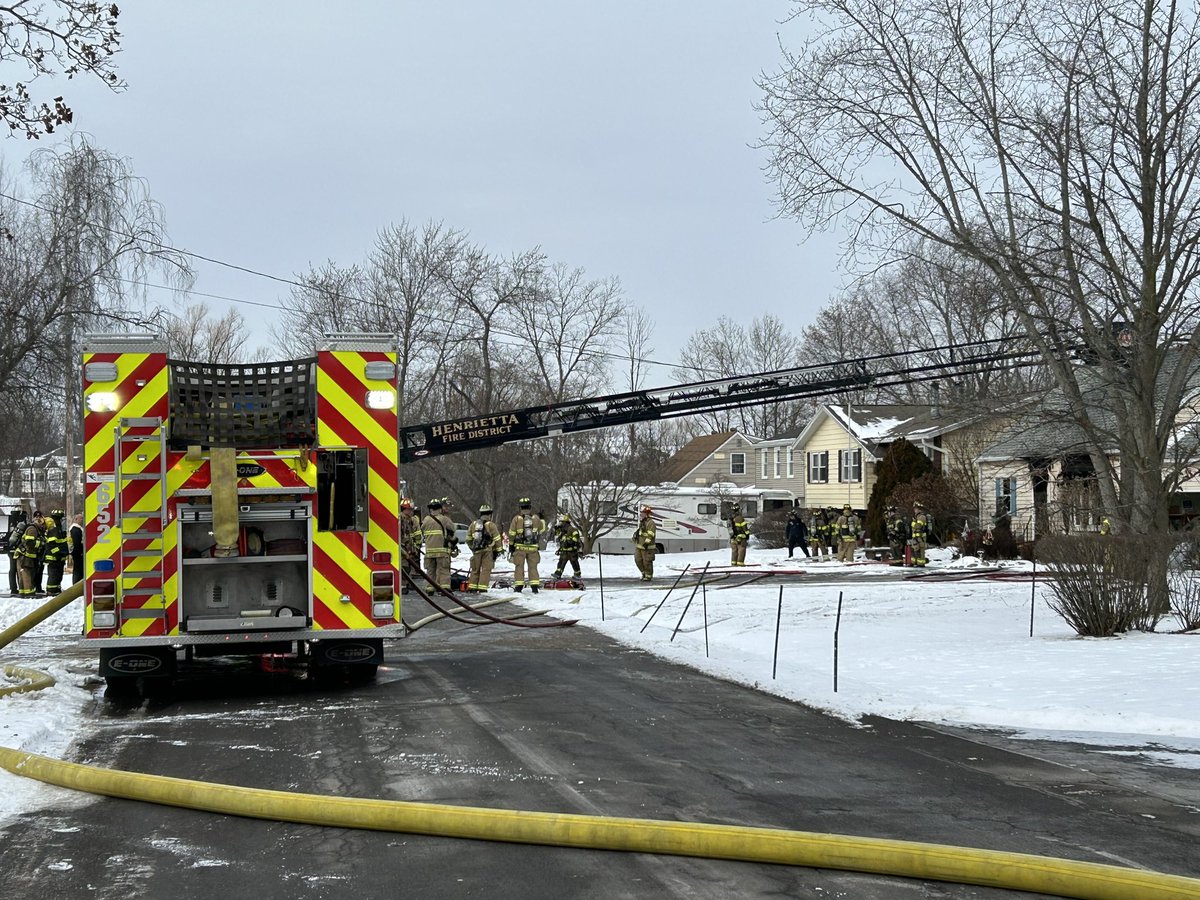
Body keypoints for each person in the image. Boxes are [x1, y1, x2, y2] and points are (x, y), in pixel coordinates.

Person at [507, 497, 545, 593]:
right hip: (533, 548)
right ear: (530, 507)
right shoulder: (536, 518)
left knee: (519, 566)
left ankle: (519, 587)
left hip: (520, 547)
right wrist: (542, 519)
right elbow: (542, 529)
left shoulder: (516, 519)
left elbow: (511, 533)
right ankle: (534, 587)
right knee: (533, 567)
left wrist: (511, 545)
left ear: (520, 508)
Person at [420, 498, 458, 590]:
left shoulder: (426, 519)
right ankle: (444, 588)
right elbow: (453, 528)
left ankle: (430, 588)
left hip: (429, 552)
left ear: (430, 509)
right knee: (443, 570)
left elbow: (421, 530)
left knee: (430, 571)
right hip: (442, 551)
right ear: (440, 509)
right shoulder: (444, 519)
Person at [466, 504, 502, 593]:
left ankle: (472, 586)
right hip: (487, 551)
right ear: (490, 514)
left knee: (475, 569)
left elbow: (468, 539)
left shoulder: (473, 524)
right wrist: (499, 550)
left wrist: (472, 548)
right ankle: (482, 587)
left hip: (477, 551)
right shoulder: (491, 525)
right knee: (486, 569)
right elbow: (497, 539)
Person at [16, 511, 46, 597]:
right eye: (43, 525)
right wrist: (41, 543)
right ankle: (29, 593)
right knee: (26, 574)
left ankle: (22, 592)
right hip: (25, 555)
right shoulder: (32, 529)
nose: (44, 527)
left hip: (26, 555)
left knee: (23, 573)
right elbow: (29, 543)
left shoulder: (37, 529)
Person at [42, 509, 69, 595]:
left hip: (59, 558)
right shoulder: (53, 531)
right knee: (53, 575)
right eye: (60, 519)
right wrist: (61, 551)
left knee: (58, 575)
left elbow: (61, 543)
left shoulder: (59, 530)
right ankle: (51, 591)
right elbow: (51, 547)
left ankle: (56, 589)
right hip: (54, 558)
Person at [399, 498, 421, 593]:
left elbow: (414, 535)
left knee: (409, 567)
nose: (411, 511)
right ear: (405, 509)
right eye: (410, 509)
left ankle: (407, 583)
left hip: (409, 548)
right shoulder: (400, 519)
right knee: (404, 567)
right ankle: (402, 586)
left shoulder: (411, 520)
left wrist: (415, 547)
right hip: (402, 548)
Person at [551, 513, 583, 581]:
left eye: (561, 522)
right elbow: (558, 536)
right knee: (561, 562)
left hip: (572, 551)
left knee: (574, 563)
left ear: (565, 522)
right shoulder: (562, 530)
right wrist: (556, 529)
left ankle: (577, 574)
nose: (560, 524)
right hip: (564, 550)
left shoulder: (572, 529)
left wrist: (570, 541)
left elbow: (576, 538)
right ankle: (558, 574)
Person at [633, 506, 657, 581]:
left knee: (647, 562)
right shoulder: (643, 522)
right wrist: (636, 535)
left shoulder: (651, 523)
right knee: (638, 560)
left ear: (647, 514)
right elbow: (641, 532)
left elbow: (651, 534)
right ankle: (643, 573)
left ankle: (648, 576)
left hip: (647, 547)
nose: (641, 514)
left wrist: (646, 543)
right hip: (640, 546)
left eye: (642, 513)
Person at [6, 510, 26, 595]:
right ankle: (19, 587)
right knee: (18, 569)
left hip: (10, 549)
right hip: (17, 549)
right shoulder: (21, 524)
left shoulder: (10, 524)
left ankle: (13, 587)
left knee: (12, 569)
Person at [909, 501, 930, 567]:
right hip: (916, 536)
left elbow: (918, 526)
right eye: (914, 509)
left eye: (916, 509)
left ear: (919, 509)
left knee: (920, 549)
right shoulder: (916, 517)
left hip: (920, 537)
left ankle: (921, 563)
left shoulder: (921, 517)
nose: (914, 510)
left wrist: (912, 523)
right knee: (915, 549)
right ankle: (915, 562)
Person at [69, 512, 84, 584]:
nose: (82, 520)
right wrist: (80, 552)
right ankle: (76, 584)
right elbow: (77, 542)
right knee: (78, 570)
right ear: (76, 519)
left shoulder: (78, 528)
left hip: (78, 552)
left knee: (79, 569)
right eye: (81, 518)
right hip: (77, 553)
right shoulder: (75, 529)